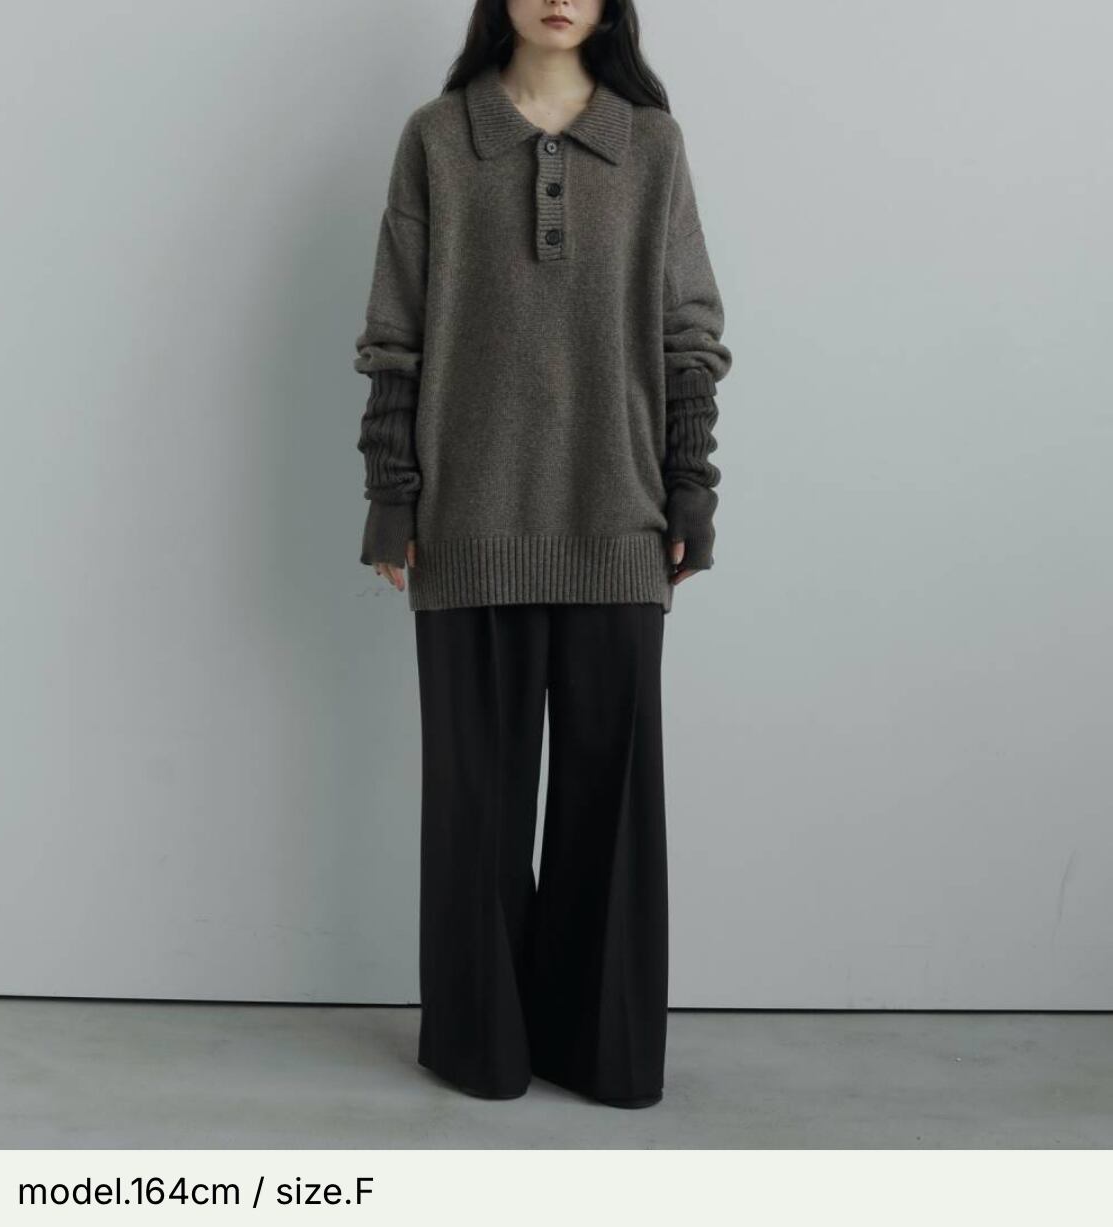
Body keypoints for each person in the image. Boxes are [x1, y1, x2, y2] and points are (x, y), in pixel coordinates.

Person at [353, 0, 732, 1109]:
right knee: (476, 802)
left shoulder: (650, 144)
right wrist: (391, 496)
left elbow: (690, 334)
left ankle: (601, 1049)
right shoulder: (439, 138)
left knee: (611, 807)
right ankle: (483, 1046)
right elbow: (394, 333)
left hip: (617, 515)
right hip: (469, 520)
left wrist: (691, 488)